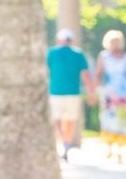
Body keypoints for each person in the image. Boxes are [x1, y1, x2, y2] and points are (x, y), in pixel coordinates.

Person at [46, 28, 96, 161]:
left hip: (56, 92)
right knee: (69, 121)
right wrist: (91, 93)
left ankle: (63, 142)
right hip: (72, 93)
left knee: (57, 120)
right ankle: (66, 143)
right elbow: (86, 76)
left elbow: (45, 71)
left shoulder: (51, 53)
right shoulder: (78, 54)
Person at [95, 29, 126, 160]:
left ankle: (120, 149)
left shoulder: (124, 56)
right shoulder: (104, 56)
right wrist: (94, 90)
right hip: (109, 92)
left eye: (117, 42)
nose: (115, 45)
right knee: (108, 118)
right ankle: (109, 147)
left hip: (123, 91)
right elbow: (99, 74)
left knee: (121, 119)